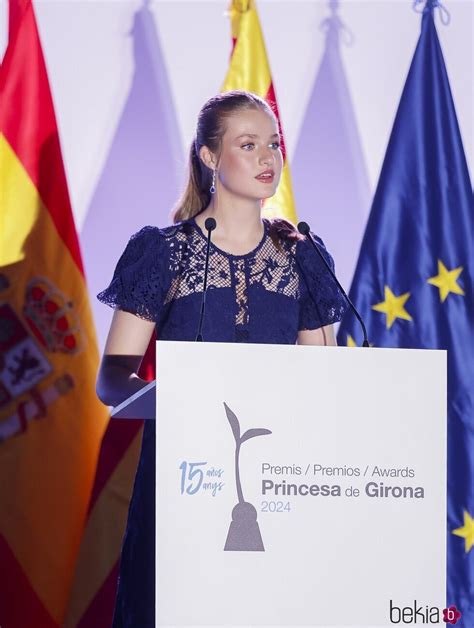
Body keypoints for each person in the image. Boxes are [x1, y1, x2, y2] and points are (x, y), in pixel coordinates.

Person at [96, 89, 347, 627]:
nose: (268, 158)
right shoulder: (164, 254)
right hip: (182, 480)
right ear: (210, 157)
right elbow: (113, 380)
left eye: (274, 145)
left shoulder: (303, 258)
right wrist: (181, 401)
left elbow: (322, 380)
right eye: (249, 144)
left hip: (279, 486)